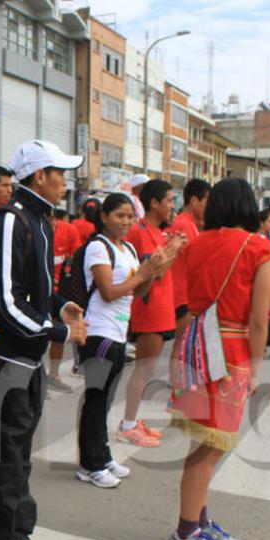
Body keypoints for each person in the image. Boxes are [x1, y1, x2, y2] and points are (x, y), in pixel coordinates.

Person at [0, 139, 88, 540]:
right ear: (39, 176)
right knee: (1, 457)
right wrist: (59, 332)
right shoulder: (10, 220)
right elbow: (4, 302)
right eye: (60, 173)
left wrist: (60, 307)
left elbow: (34, 290)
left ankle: (18, 533)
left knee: (19, 456)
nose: (65, 182)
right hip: (5, 361)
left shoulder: (40, 220)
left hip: (28, 359)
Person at [166, 178, 270, 540]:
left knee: (203, 444)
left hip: (195, 345)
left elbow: (184, 300)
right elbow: (259, 321)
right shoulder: (259, 248)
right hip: (229, 352)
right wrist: (257, 369)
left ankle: (198, 520)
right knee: (209, 450)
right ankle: (186, 531)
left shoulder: (196, 244)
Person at [76, 194, 158, 488]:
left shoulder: (129, 248)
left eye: (130, 216)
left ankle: (102, 455)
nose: (126, 222)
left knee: (106, 399)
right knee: (96, 400)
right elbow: (109, 292)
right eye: (120, 216)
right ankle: (89, 465)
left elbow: (137, 292)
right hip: (99, 331)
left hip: (119, 331)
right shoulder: (98, 247)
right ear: (104, 217)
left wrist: (152, 271)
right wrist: (141, 275)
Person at [118, 179, 184, 447]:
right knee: (142, 371)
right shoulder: (143, 232)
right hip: (149, 309)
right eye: (169, 201)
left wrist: (172, 246)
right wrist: (174, 248)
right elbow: (154, 272)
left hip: (161, 309)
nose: (172, 206)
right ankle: (128, 425)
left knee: (146, 370)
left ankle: (133, 421)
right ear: (154, 203)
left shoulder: (157, 232)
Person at [168, 179, 210, 390]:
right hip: (182, 291)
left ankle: (180, 384)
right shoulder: (184, 224)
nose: (208, 208)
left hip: (184, 290)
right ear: (194, 200)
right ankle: (177, 386)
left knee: (184, 343)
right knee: (181, 344)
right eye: (206, 202)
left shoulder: (188, 224)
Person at [49, 207, 82, 391]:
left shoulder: (69, 230)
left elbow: (76, 260)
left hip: (60, 292)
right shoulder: (29, 231)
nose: (50, 223)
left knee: (58, 334)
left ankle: (53, 376)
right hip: (36, 291)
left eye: (52, 219)